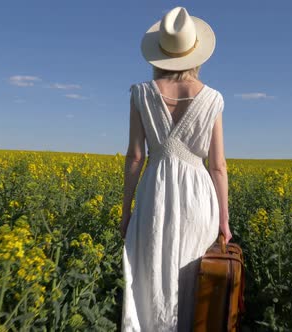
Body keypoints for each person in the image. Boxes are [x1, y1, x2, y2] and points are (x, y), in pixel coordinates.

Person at [118, 6, 231, 332]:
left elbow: (136, 157)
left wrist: (126, 211)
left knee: (150, 277)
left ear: (159, 56)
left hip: (154, 192)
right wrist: (224, 220)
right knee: (192, 278)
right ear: (195, 54)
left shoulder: (140, 94)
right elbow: (218, 166)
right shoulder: (213, 98)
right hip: (199, 198)